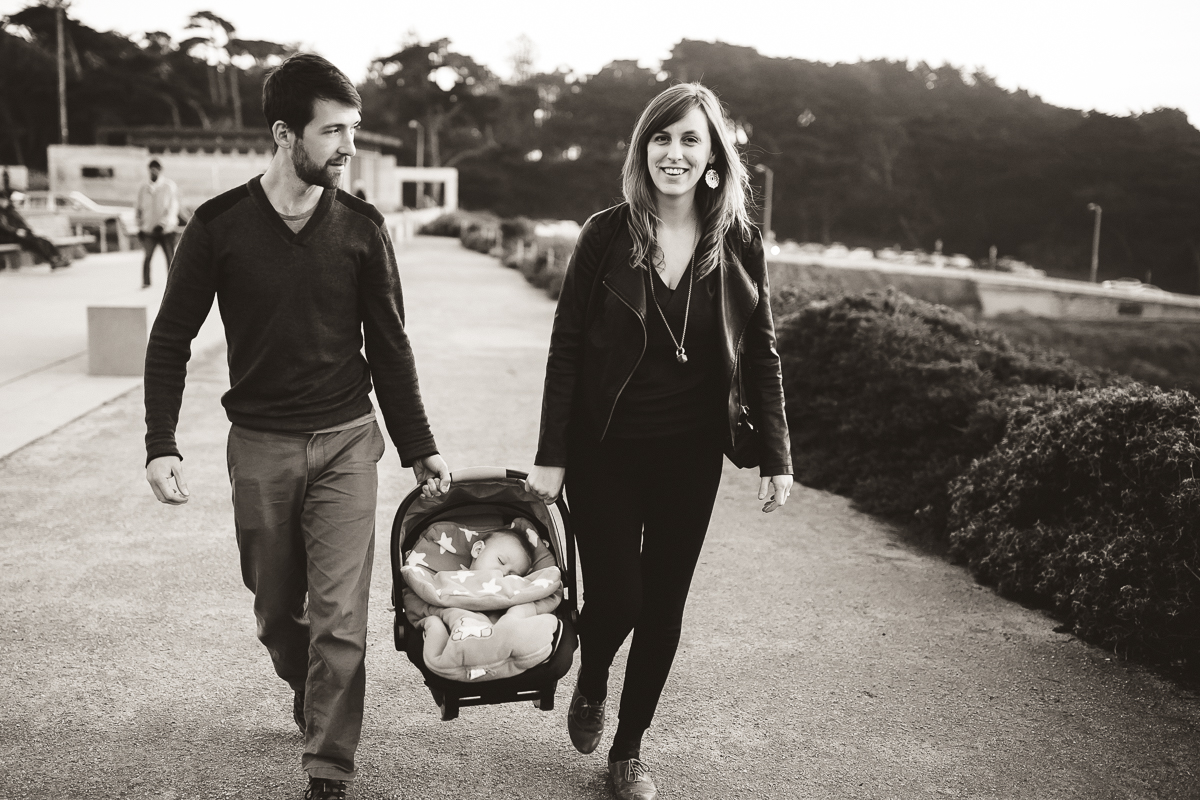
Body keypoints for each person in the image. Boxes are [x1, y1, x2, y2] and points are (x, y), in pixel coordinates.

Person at [142, 53, 451, 800]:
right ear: (286, 135)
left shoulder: (363, 228)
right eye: (334, 131)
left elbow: (391, 345)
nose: (348, 146)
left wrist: (421, 448)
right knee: (278, 611)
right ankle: (310, 688)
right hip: (260, 447)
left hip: (348, 439)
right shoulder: (218, 226)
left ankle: (328, 767)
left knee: (341, 617)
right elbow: (170, 337)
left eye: (354, 129)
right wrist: (161, 443)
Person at [524, 83, 794, 800]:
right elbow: (566, 351)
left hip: (691, 451)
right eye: (661, 138)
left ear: (713, 158)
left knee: (665, 602)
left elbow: (760, 350)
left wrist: (777, 453)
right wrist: (551, 457)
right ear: (643, 150)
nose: (673, 153)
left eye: (689, 140)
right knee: (619, 595)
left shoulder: (739, 243)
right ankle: (593, 675)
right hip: (604, 447)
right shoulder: (606, 235)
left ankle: (629, 750)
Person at [135, 159, 180, 288]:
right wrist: (140, 227)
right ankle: (146, 282)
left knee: (170, 259)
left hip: (165, 230)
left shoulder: (168, 186)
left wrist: (163, 223)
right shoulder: (144, 188)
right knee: (147, 257)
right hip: (149, 229)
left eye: (156, 169)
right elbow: (138, 208)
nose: (154, 171)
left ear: (160, 170)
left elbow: (172, 208)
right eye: (152, 169)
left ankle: (173, 285)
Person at [0, 191, 70, 269]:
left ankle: (57, 257)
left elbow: (21, 223)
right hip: (7, 236)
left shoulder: (11, 211)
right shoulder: (2, 213)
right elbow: (3, 227)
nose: (3, 202)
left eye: (4, 200)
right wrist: (16, 231)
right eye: (2, 200)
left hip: (19, 234)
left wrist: (25, 230)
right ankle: (52, 260)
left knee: (43, 240)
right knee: (33, 242)